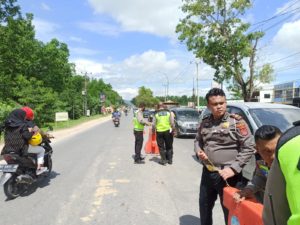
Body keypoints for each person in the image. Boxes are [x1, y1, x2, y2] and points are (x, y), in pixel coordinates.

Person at [195, 88, 255, 225]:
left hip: (228, 175)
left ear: (226, 102)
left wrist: (234, 169)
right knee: (204, 207)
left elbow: (249, 146)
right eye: (215, 104)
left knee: (230, 211)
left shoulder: (236, 122)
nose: (219, 106)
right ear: (208, 106)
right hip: (208, 172)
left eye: (222, 103)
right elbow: (197, 140)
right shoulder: (205, 122)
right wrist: (199, 151)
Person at [263, 121, 300, 225]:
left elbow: (274, 212)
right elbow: (258, 176)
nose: (273, 156)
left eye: (274, 151)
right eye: (267, 151)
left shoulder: (290, 141)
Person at [233, 125, 282, 203]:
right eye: (267, 151)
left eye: (277, 149)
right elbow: (261, 177)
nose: (273, 156)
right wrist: (248, 190)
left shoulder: (293, 162)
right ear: (257, 149)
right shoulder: (261, 162)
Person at [1, 107, 47, 175]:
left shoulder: (6, 125)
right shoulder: (23, 125)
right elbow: (27, 136)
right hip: (21, 149)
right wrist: (32, 132)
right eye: (23, 116)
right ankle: (39, 168)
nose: (24, 118)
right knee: (41, 150)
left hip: (7, 150)